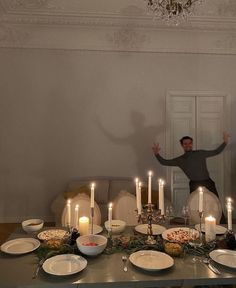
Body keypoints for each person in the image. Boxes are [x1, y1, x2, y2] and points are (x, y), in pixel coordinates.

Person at [152, 132, 230, 198]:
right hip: (194, 185)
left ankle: (221, 217)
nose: (188, 145)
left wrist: (225, 142)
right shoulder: (180, 160)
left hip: (208, 183)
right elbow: (164, 162)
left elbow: (216, 151)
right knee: (194, 208)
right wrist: (156, 154)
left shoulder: (200, 153)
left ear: (192, 144)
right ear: (182, 145)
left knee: (216, 206)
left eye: (189, 143)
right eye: (185, 144)